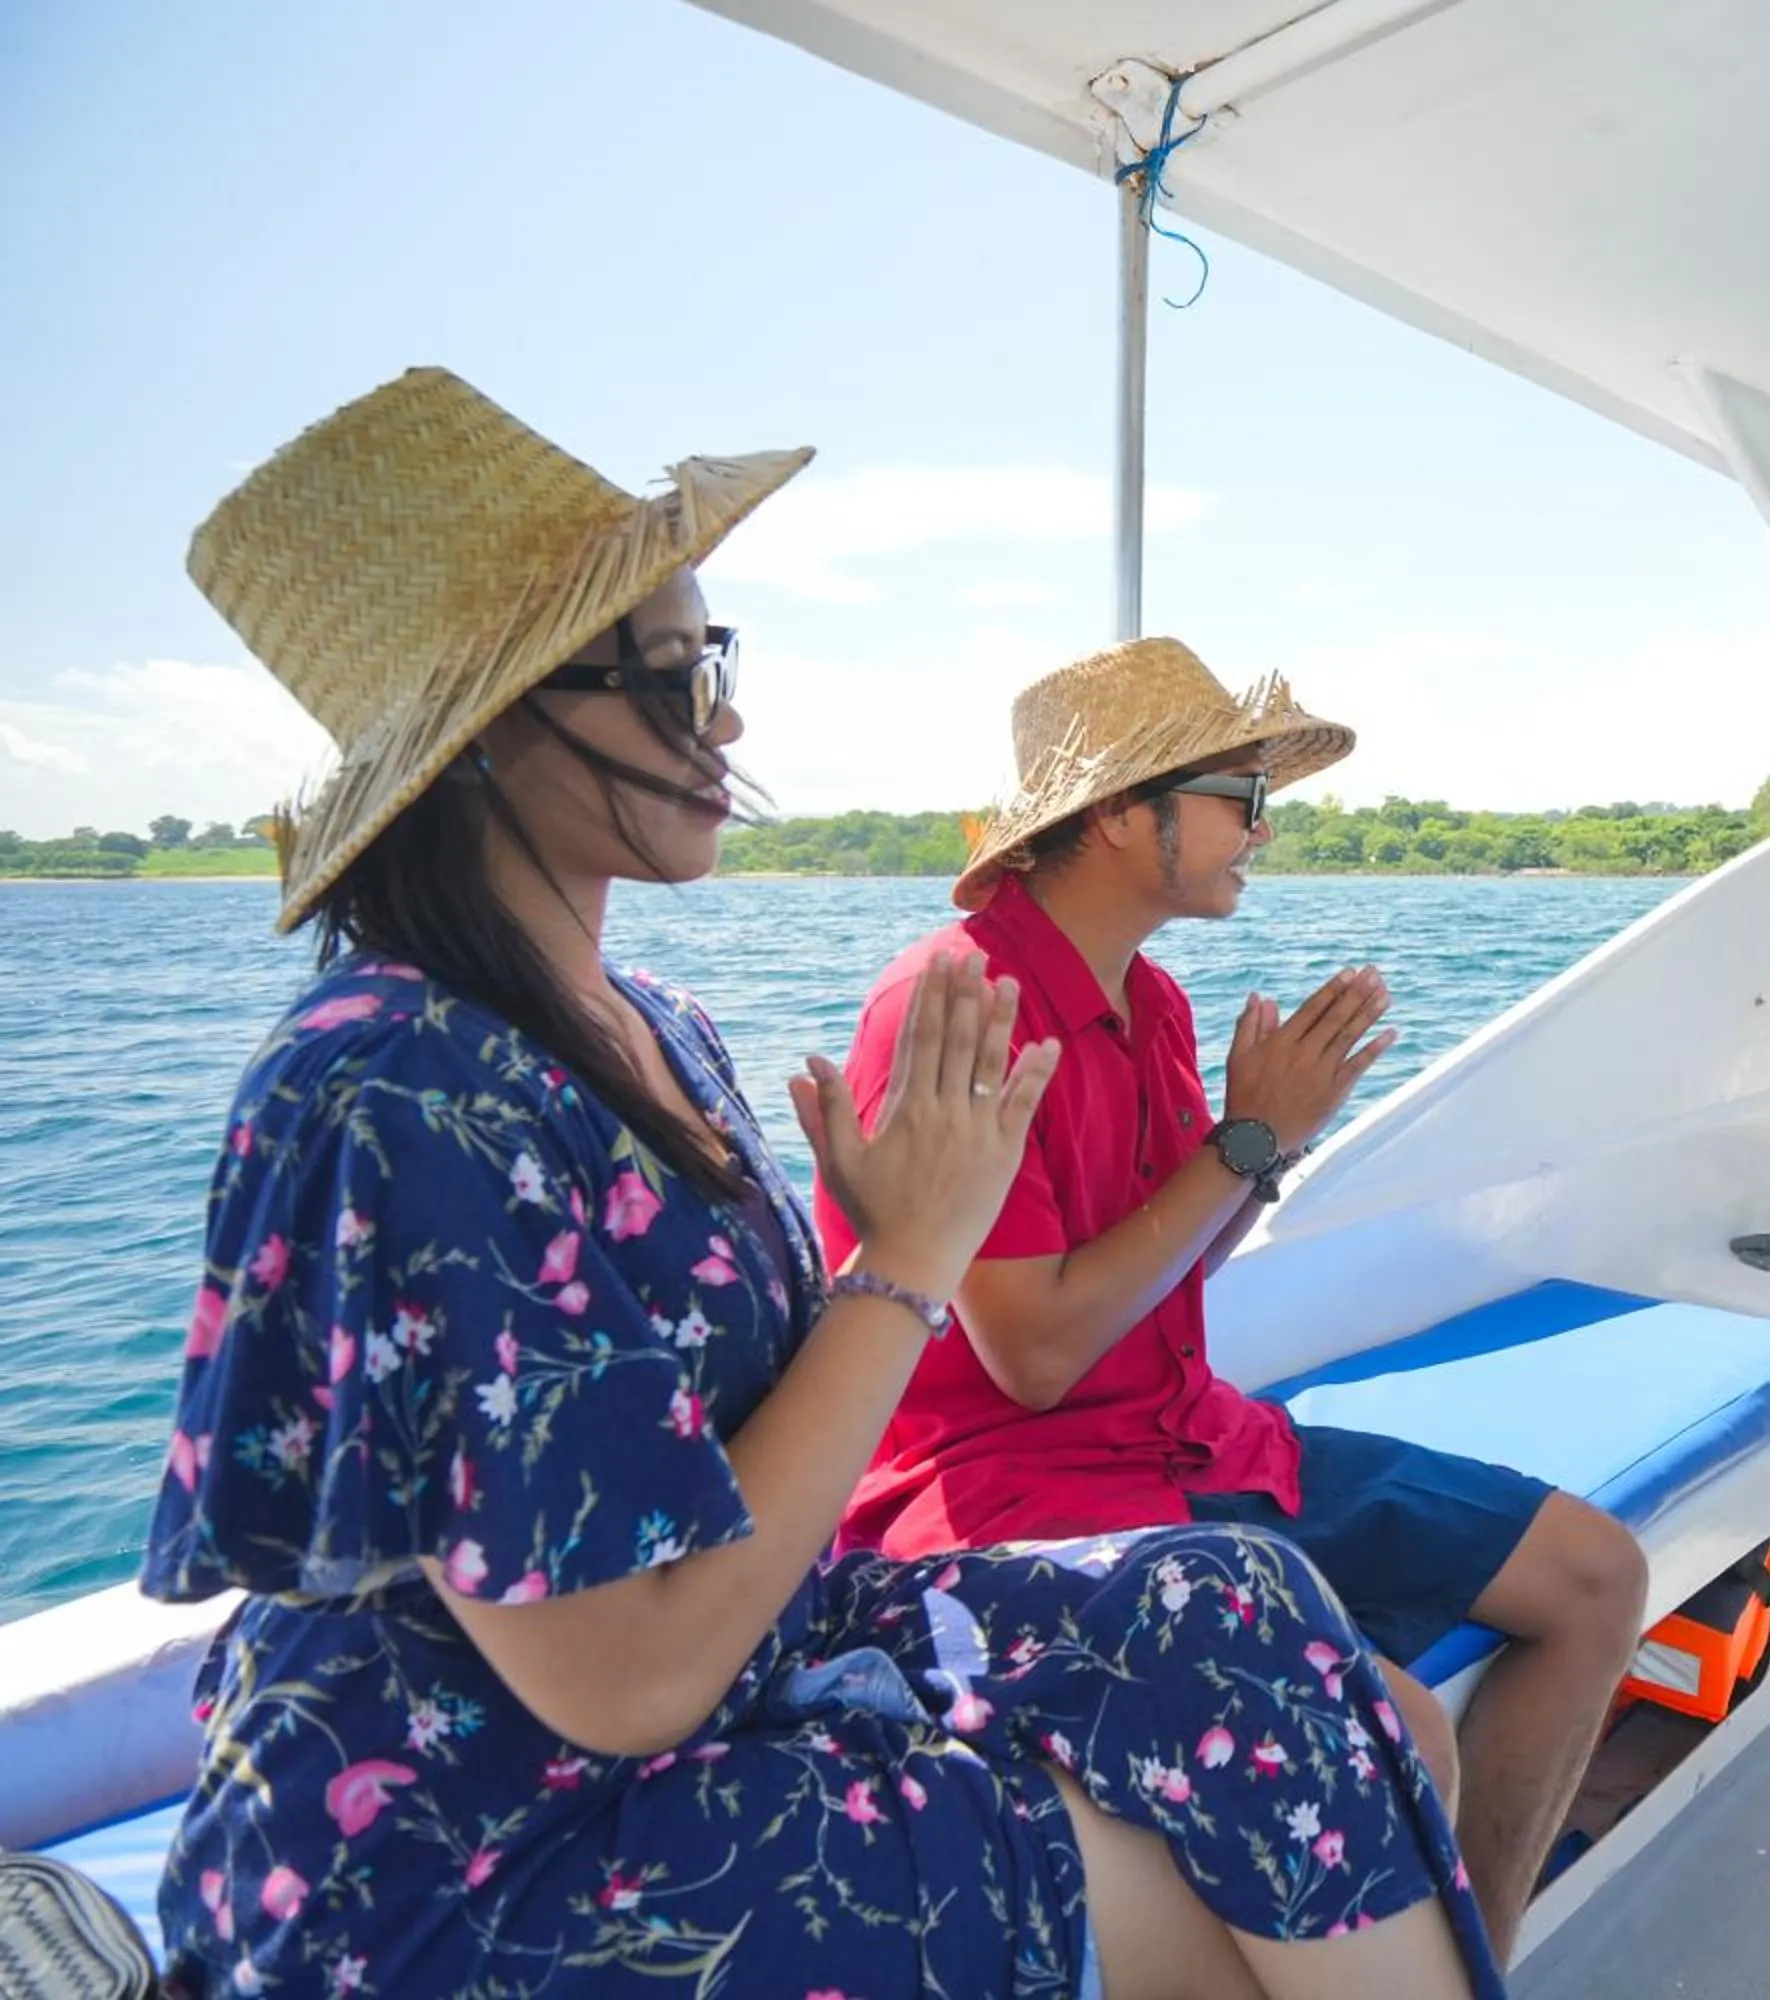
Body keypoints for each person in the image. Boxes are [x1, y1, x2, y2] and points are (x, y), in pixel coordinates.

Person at [134, 368, 1504, 2000]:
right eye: (672, 671)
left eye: (719, 664)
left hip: (754, 1668)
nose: (725, 720)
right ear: (493, 724)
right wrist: (908, 1255)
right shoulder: (384, 1087)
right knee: (1240, 1885)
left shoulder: (656, 1030)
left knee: (1249, 1602)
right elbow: (625, 1674)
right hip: (475, 1853)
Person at [820, 639, 1649, 1963]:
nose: (1265, 826)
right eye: (1242, 796)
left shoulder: (1145, 999)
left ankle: (1469, 1966)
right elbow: (1029, 1354)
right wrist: (1243, 1143)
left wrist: (1271, 1147)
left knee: (1596, 1574)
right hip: (1011, 1492)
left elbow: (1175, 1264)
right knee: (1400, 1732)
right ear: (1115, 813)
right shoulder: (953, 1006)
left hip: (1191, 1435)